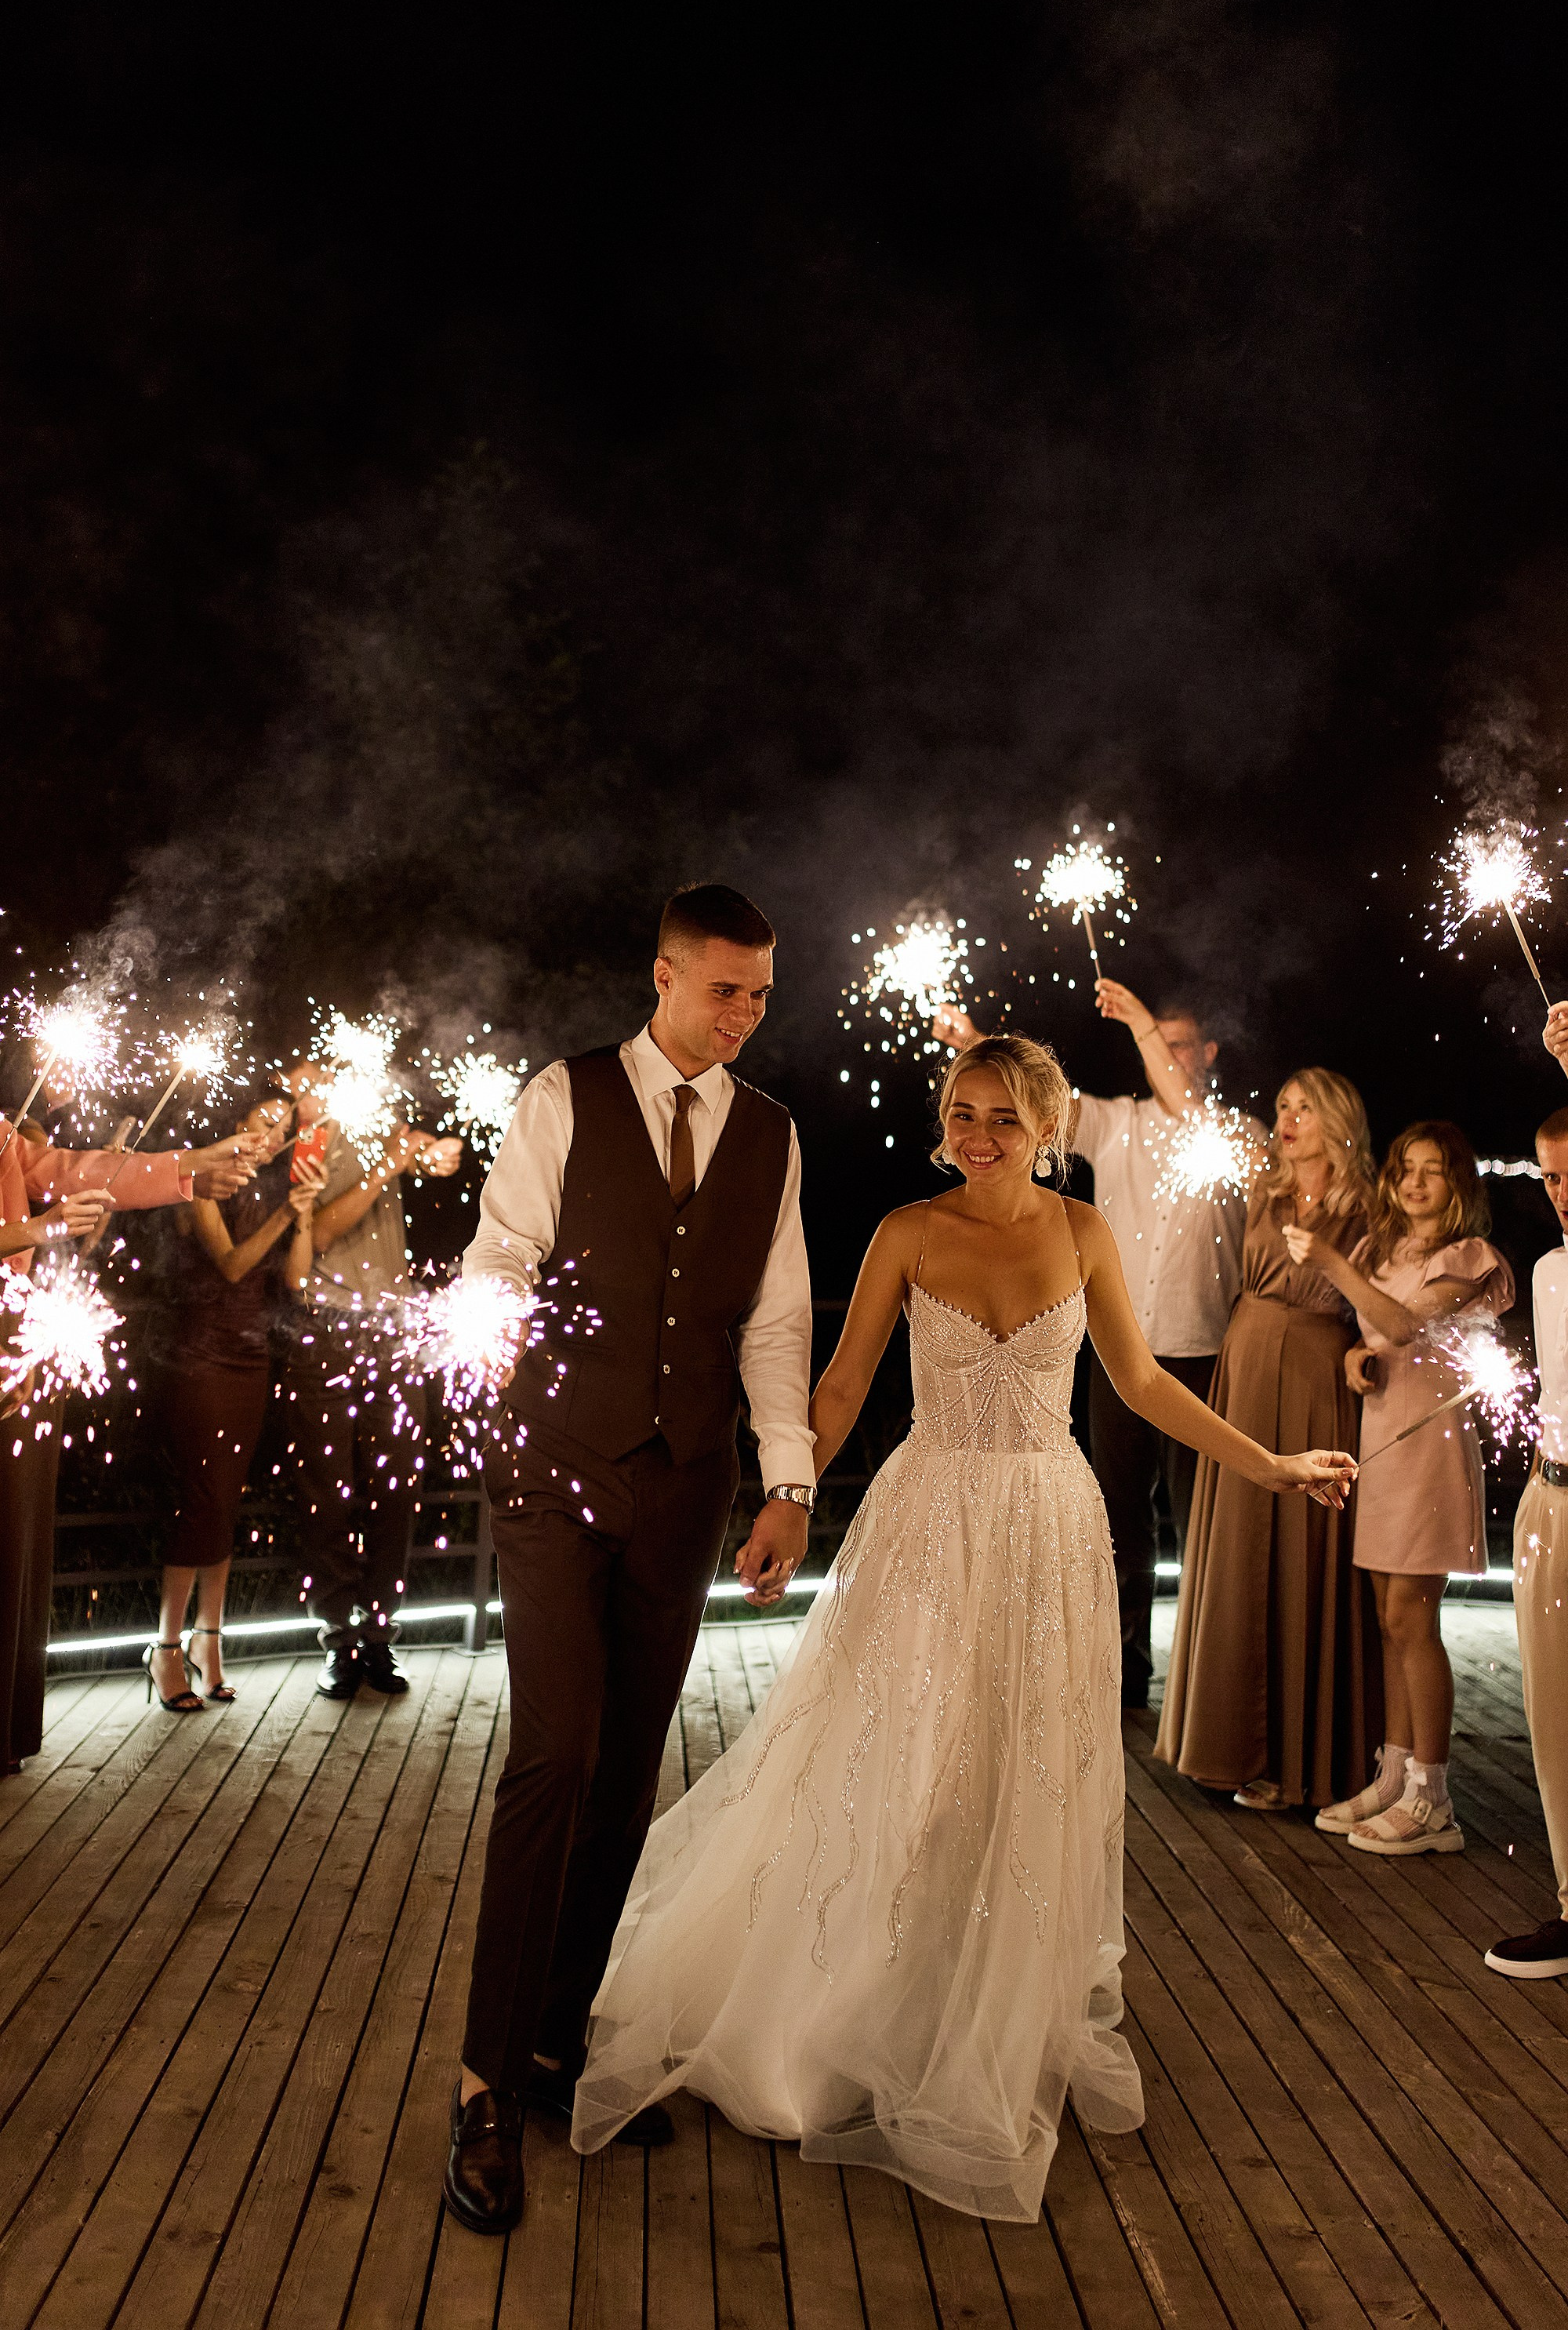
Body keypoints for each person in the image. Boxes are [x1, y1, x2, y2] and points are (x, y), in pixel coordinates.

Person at [568, 1034, 1352, 2223]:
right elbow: (838, 1386)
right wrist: (789, 1498)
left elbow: (1139, 1385)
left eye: (999, 1116)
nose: (974, 1134)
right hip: (928, 1523)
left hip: (1048, 1529)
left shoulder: (1086, 1235)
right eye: (959, 1111)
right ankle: (849, 2008)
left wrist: (1273, 1464)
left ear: (1044, 1128)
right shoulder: (906, 1231)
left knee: (1014, 1773)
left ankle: (973, 2011)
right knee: (905, 1761)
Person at [443, 883, 817, 2237]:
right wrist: (489, 1381)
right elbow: (497, 1262)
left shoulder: (773, 1136)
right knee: (554, 1752)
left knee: (628, 1771)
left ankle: (556, 2047)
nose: (744, 1017)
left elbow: (775, 1326)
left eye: (762, 995)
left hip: (686, 1490)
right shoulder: (566, 1096)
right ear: (662, 977)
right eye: (724, 990)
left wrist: (789, 1483)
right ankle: (484, 2088)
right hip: (552, 1477)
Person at [937, 982, 1258, 1706]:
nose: (1163, 1055)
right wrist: (971, 1043)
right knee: (1119, 1523)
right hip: (1123, 1359)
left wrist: (1141, 1017)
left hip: (1209, 1353)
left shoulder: (1233, 1132)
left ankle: (1211, 1691)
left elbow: (1185, 1101)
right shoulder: (1116, 1124)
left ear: (1206, 1053)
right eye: (1157, 1042)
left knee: (1206, 1525)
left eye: (1178, 1044)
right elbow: (1034, 1106)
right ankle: (1124, 1671)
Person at [0, 1085, 260, 1774]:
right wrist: (34, 1230)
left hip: (10, 1343)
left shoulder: (3, 1131)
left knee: (11, 1535)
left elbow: (64, 1169)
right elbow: (44, 1207)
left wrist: (191, 1168)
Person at [1155, 1067, 1379, 1811]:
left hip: (1319, 1372)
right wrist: (1142, 1027)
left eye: (1305, 1107)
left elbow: (1382, 1307)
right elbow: (1191, 1109)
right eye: (1281, 1103)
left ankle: (1305, 1760)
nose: (1287, 1117)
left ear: (1337, 1118)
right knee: (1241, 1541)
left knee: (1308, 1548)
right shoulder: (1263, 1185)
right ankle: (1225, 1747)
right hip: (1246, 1364)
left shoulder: (1368, 1206)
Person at [1290, 1124, 1512, 1855]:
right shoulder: (1382, 1252)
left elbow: (1408, 1324)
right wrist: (1356, 1357)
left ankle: (1433, 1801)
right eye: (1406, 1170)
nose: (1416, 1183)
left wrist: (1327, 1258)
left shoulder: (1470, 1258)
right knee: (1389, 1616)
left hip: (1433, 1453)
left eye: (1434, 1172)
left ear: (1459, 1185)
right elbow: (1379, 1338)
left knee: (1414, 1619)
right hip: (1383, 1446)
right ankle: (1394, 1778)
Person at [280, 1063, 460, 1701]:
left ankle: (379, 1636)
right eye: (304, 1083)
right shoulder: (301, 1149)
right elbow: (321, 1230)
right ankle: (337, 1639)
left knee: (396, 1485)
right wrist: (390, 1165)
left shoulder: (376, 1125)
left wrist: (437, 1155)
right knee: (326, 1495)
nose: (315, 1089)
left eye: (322, 1077)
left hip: (395, 1331)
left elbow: (440, 1156)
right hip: (325, 1331)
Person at [146, 1094, 328, 1712]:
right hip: (200, 1356)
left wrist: (302, 1214)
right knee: (202, 1500)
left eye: (286, 1124)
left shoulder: (283, 1188)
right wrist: (285, 1213)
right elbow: (228, 1265)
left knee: (226, 1498)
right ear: (238, 1125)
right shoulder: (204, 1178)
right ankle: (166, 1648)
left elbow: (295, 1281)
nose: (277, 1129)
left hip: (253, 1358)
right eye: (265, 1118)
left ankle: (209, 1642)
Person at [1485, 1070, 1568, 1978]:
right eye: (1548, 1176)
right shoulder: (1545, 1272)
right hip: (1549, 1499)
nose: (1562, 1193)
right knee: (1551, 1716)